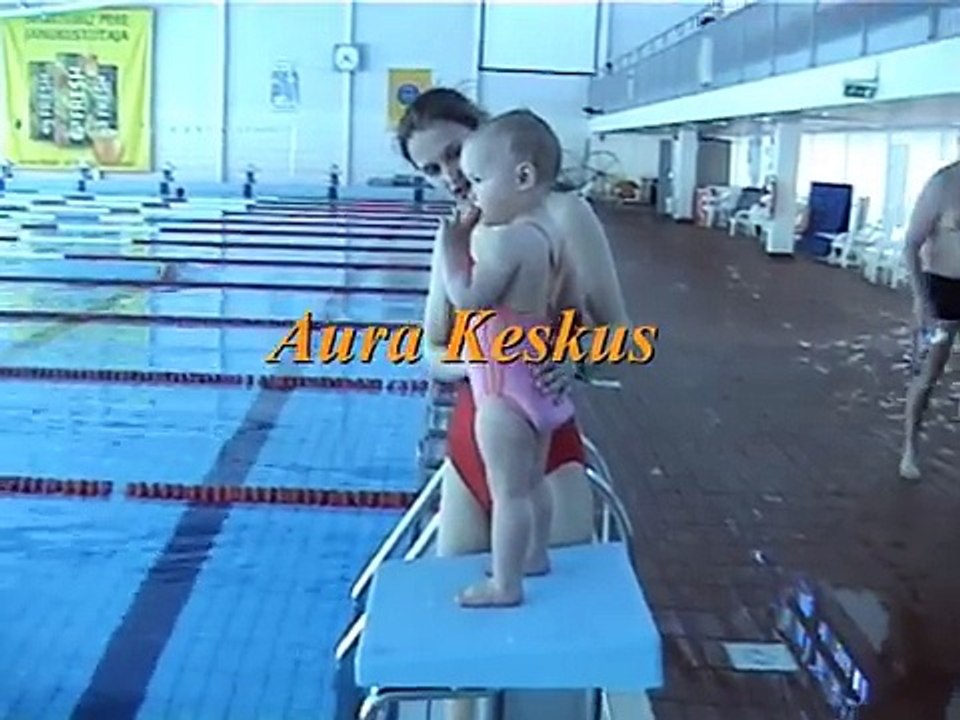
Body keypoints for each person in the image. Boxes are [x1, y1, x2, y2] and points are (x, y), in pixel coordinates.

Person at [397, 85, 630, 720]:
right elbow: (429, 351)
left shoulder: (565, 215)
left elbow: (619, 335)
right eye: (432, 170)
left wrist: (573, 356)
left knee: (554, 661)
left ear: (485, 136)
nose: (451, 178)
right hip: (474, 441)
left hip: (546, 447)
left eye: (454, 156)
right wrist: (488, 356)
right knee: (460, 666)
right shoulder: (459, 240)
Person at [438, 109, 576, 608]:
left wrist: (451, 248)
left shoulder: (505, 239)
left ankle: (506, 583)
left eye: (476, 179)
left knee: (507, 492)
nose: (469, 192)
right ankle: (535, 555)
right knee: (534, 481)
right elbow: (564, 305)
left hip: (502, 390)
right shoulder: (548, 233)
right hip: (536, 380)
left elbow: (468, 297)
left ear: (522, 177)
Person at [899, 159, 960, 481]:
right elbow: (911, 244)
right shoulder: (943, 185)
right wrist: (921, 298)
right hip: (942, 290)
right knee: (927, 376)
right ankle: (910, 447)